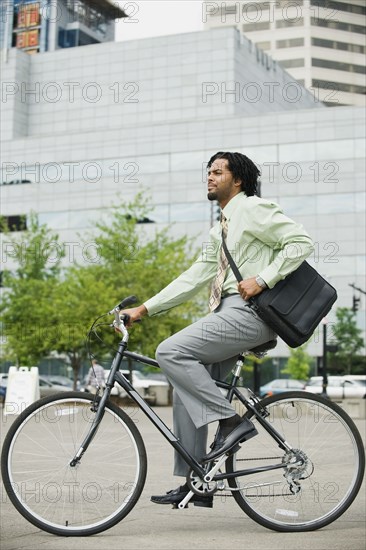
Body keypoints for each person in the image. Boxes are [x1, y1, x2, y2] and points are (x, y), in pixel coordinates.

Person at [121, 151, 314, 508]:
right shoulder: (220, 228)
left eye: (217, 172)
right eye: (207, 172)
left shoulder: (253, 209)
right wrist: (145, 308)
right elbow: (194, 278)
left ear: (237, 179)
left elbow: (301, 242)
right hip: (227, 313)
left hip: (249, 314)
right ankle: (198, 482)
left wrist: (263, 278)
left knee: (170, 352)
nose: (209, 177)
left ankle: (231, 422)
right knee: (187, 389)